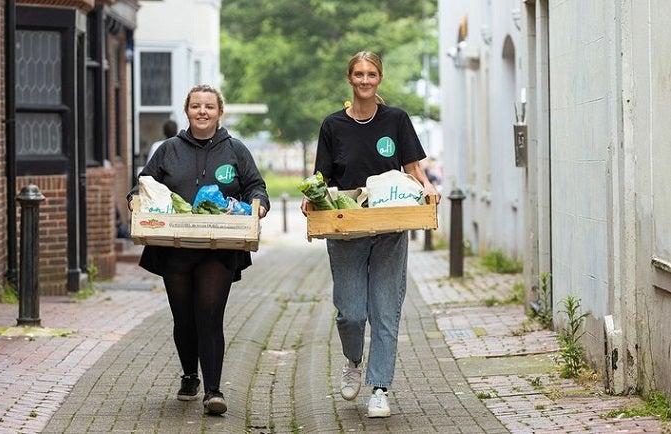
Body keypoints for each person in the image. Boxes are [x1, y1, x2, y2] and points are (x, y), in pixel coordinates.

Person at [301, 51, 441, 418]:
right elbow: (323, 178)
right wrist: (311, 199)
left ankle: (380, 387)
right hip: (347, 227)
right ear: (350, 78)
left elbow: (413, 169)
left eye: (372, 74)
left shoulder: (395, 119)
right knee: (350, 312)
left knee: (385, 309)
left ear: (380, 78)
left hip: (389, 225)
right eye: (359, 74)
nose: (365, 80)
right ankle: (352, 359)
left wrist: (427, 189)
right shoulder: (332, 125)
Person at [128, 84, 270, 415]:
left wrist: (258, 204)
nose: (202, 111)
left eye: (209, 106)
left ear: (220, 112)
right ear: (187, 110)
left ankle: (214, 391)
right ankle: (190, 374)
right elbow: (143, 184)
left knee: (208, 313)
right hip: (174, 248)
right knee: (184, 317)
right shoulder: (168, 150)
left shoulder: (235, 149)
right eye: (195, 106)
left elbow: (255, 186)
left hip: (218, 248)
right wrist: (135, 199)